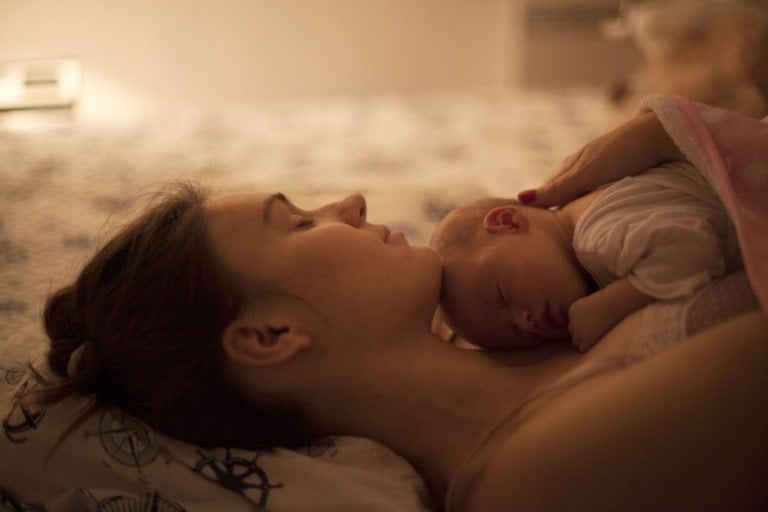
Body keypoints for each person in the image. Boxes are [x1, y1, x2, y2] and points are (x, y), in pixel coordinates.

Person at [24, 95, 768, 511]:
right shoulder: (534, 474)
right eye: (299, 223)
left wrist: (668, 135)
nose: (350, 201)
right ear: (271, 334)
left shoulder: (538, 308)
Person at [431, 111, 742, 352]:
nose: (525, 322)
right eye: (511, 336)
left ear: (507, 223)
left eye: (502, 295)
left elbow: (695, 248)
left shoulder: (594, 233)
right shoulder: (586, 233)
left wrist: (611, 305)